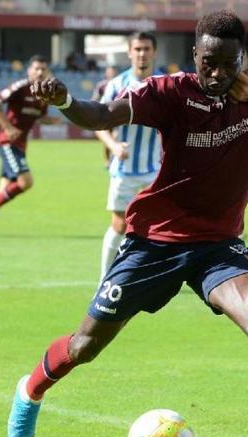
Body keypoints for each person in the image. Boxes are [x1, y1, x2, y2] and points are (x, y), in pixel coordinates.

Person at [9, 11, 248, 437]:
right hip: (154, 243)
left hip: (219, 248)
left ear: (241, 59)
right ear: (194, 57)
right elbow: (101, 115)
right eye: (209, 63)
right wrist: (63, 101)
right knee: (85, 346)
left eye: (227, 64)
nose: (218, 75)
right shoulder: (169, 92)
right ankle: (30, 390)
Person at [94, 32, 165, 280]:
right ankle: (105, 279)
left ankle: (151, 275)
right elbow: (98, 122)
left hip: (156, 170)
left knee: (158, 227)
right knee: (120, 225)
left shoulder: (165, 85)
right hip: (123, 170)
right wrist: (113, 146)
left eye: (146, 48)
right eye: (137, 49)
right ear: (129, 52)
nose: (142, 54)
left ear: (154, 52)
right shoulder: (116, 85)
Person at [0, 55, 57, 236]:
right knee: (26, 182)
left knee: (2, 191)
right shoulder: (20, 87)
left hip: (20, 145)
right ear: (29, 70)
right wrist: (7, 127)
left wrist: (53, 119)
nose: (40, 72)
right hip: (8, 143)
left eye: (43, 69)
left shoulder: (43, 94)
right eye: (36, 68)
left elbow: (40, 116)